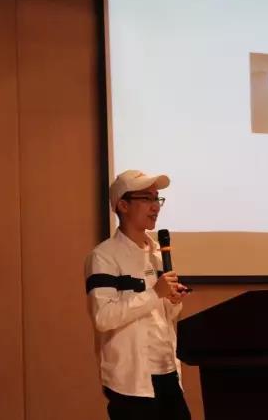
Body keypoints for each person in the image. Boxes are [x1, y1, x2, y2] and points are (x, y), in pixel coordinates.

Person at [84, 169, 191, 420]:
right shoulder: (104, 256)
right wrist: (155, 294)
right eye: (146, 198)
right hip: (131, 381)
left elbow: (165, 314)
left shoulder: (157, 253)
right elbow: (103, 317)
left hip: (167, 370)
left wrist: (173, 301)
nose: (155, 206)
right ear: (123, 205)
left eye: (157, 199)